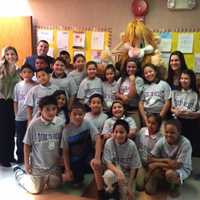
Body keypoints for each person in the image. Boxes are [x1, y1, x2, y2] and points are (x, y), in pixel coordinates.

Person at [13, 95, 65, 194]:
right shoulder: (34, 125)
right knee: (35, 190)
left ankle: (46, 179)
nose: (51, 112)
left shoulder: (60, 123)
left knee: (55, 185)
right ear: (40, 110)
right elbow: (26, 145)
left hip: (54, 166)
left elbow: (63, 144)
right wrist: (27, 163)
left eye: (54, 109)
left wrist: (62, 157)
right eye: (47, 109)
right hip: (38, 167)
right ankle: (19, 173)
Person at [145, 119, 192, 197]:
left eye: (172, 132)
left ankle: (176, 185)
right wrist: (166, 160)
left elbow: (178, 165)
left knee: (169, 174)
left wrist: (156, 164)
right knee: (149, 190)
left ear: (179, 132)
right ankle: (162, 180)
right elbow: (150, 158)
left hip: (181, 168)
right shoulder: (162, 141)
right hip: (165, 165)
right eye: (166, 132)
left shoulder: (185, 144)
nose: (169, 135)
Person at [61, 101, 102, 186]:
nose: (78, 117)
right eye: (74, 114)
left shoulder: (87, 123)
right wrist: (68, 169)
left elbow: (98, 138)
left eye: (80, 114)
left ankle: (100, 190)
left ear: (84, 114)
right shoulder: (66, 130)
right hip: (75, 161)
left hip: (88, 157)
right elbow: (65, 151)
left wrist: (97, 158)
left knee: (98, 167)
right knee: (75, 183)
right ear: (69, 115)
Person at [102, 119, 141, 200]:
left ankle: (120, 190)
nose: (118, 135)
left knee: (128, 196)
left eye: (122, 132)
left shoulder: (132, 145)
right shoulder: (109, 142)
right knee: (108, 176)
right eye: (116, 132)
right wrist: (118, 172)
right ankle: (111, 190)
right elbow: (107, 162)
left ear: (127, 133)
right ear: (113, 132)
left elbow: (134, 167)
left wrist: (129, 185)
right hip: (114, 172)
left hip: (127, 174)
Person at [171, 69, 200, 157]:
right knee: (178, 146)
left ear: (191, 80)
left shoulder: (196, 94)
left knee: (190, 146)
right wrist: (176, 111)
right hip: (178, 122)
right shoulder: (175, 92)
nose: (183, 80)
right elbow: (172, 108)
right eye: (182, 78)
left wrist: (188, 114)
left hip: (191, 123)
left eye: (186, 78)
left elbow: (198, 113)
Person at [0, 46, 19, 167]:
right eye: (7, 54)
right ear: (4, 56)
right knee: (3, 131)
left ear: (16, 56)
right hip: (2, 102)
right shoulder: (1, 68)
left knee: (11, 130)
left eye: (12, 54)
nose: (10, 56)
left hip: (13, 102)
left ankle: (10, 155)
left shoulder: (19, 70)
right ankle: (3, 158)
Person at [14, 63, 37, 163]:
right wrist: (16, 114)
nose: (27, 74)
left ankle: (32, 158)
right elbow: (15, 101)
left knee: (31, 138)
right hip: (20, 117)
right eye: (24, 72)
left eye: (29, 72)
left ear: (33, 74)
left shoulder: (36, 85)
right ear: (21, 74)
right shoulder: (18, 86)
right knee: (20, 137)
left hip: (32, 117)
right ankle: (20, 157)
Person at [135, 113, 162, 190]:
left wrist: (150, 172)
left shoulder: (161, 138)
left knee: (150, 190)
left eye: (153, 123)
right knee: (139, 186)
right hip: (142, 164)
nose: (150, 125)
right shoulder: (142, 131)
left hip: (153, 166)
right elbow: (136, 147)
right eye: (148, 122)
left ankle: (156, 180)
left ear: (158, 125)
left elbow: (160, 156)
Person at [116, 57, 144, 128]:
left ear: (137, 68)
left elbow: (131, 96)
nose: (131, 69)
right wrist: (122, 96)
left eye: (133, 67)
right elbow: (115, 93)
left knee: (135, 130)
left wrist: (132, 81)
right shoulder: (122, 79)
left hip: (133, 110)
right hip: (121, 110)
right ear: (125, 67)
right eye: (129, 67)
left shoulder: (139, 80)